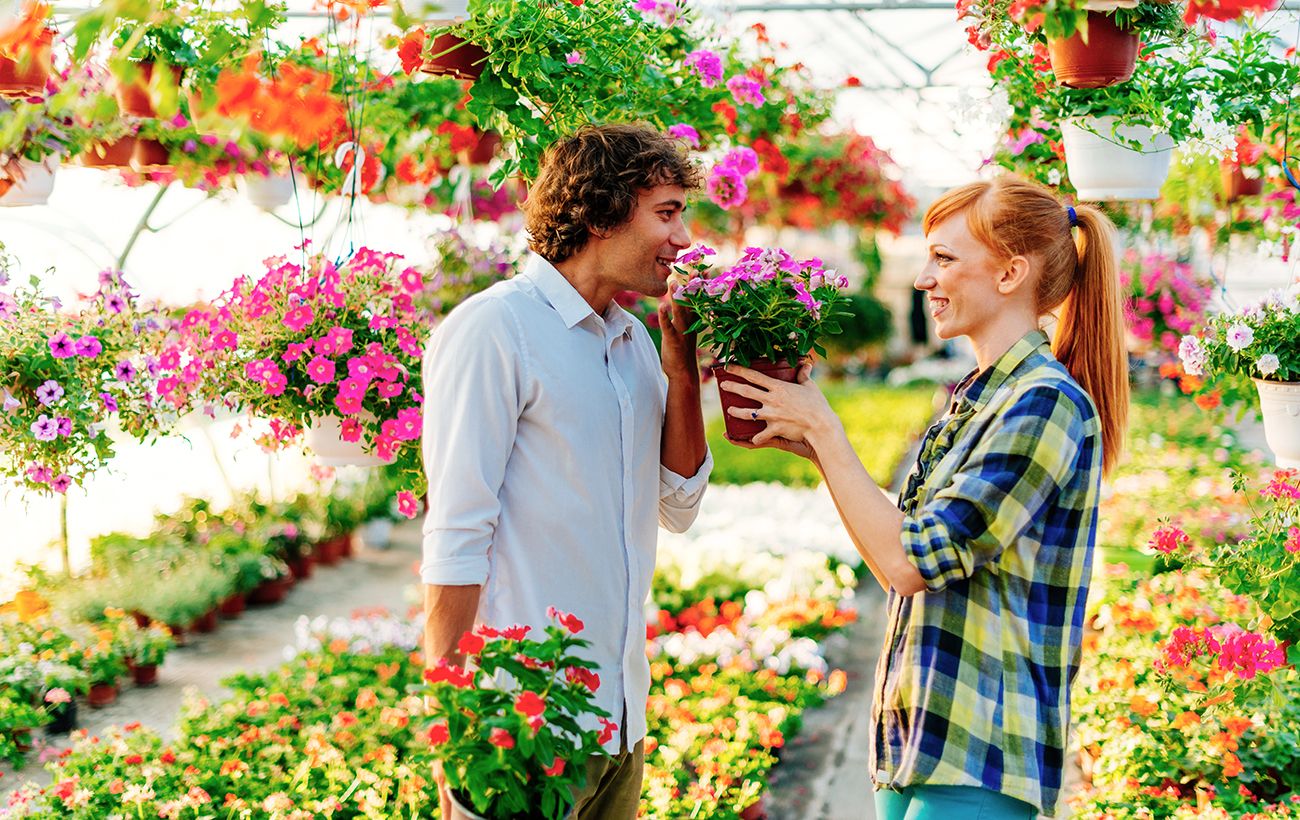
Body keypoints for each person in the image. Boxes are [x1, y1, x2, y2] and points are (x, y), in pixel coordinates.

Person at [719, 175, 1128, 819]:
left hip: (984, 747)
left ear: (1009, 273)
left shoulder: (1044, 403)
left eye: (944, 257)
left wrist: (829, 432)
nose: (922, 279)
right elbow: (901, 552)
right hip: (921, 734)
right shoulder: (976, 397)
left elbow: (911, 563)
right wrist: (820, 450)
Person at [418, 124, 711, 819]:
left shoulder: (635, 340)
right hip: (523, 725)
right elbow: (456, 534)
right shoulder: (496, 330)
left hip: (618, 719)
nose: (684, 239)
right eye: (666, 213)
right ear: (602, 209)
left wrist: (681, 372)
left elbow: (679, 504)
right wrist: (453, 725)